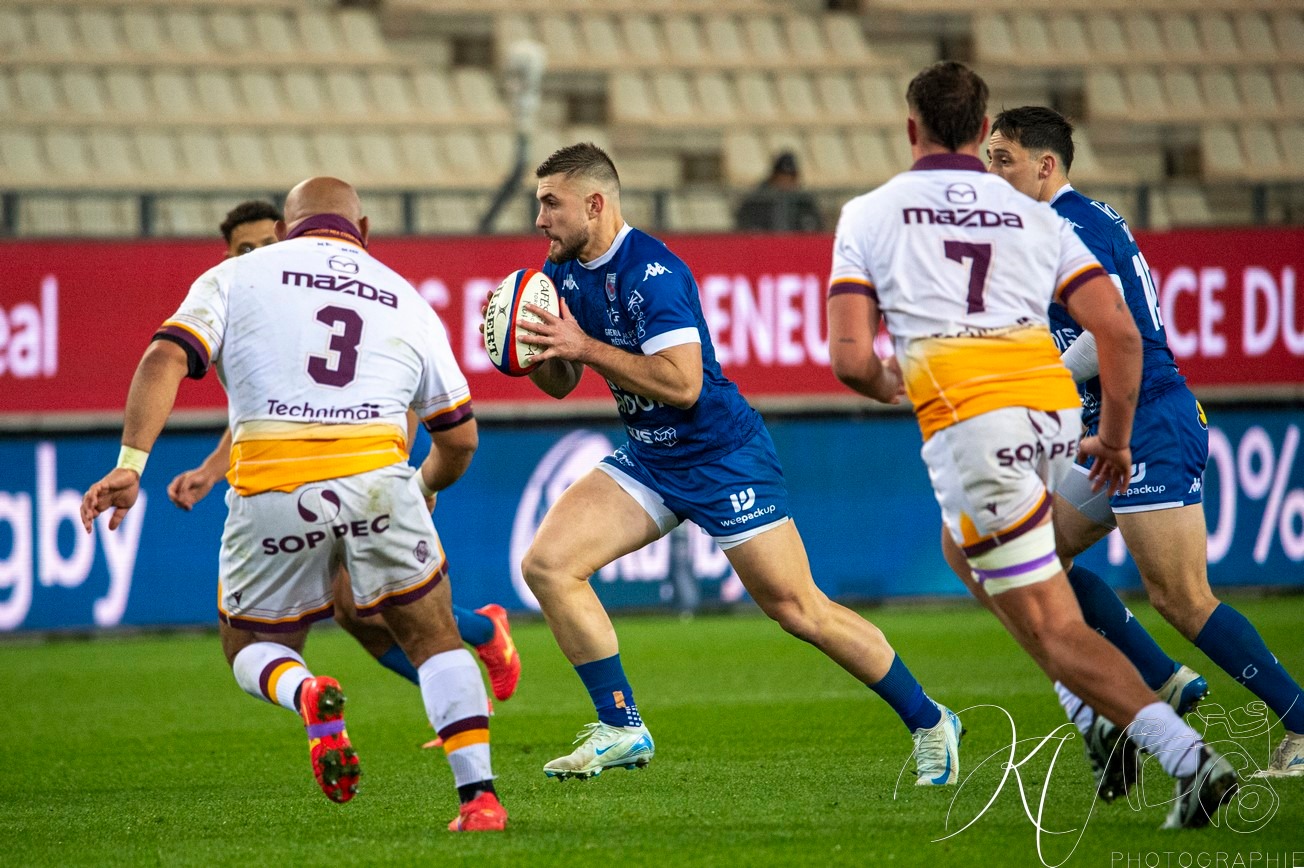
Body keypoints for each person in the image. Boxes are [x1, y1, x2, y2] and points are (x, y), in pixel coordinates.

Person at [826, 62, 1238, 828]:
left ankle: (1184, 757)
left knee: (1052, 624)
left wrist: (899, 382)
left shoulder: (871, 214)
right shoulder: (1038, 215)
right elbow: (1118, 333)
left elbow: (851, 359)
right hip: (1055, 417)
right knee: (965, 556)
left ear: (912, 129)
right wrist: (1113, 439)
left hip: (978, 428)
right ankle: (1092, 717)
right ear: (983, 132)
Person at [508, 142, 963, 787]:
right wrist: (537, 352)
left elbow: (684, 383)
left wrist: (581, 343)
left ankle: (930, 721)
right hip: (652, 457)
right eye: (538, 204)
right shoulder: (562, 276)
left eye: (550, 203)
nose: (539, 219)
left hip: (723, 458)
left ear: (594, 203)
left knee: (799, 609)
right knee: (549, 566)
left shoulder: (652, 273)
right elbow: (562, 382)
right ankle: (621, 726)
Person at [80, 178, 508, 831]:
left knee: (250, 643)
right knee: (432, 637)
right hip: (378, 482)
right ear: (362, 228)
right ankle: (480, 800)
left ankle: (304, 690)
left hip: (273, 487)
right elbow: (461, 437)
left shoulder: (236, 276)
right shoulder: (405, 296)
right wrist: (420, 491)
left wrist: (131, 464)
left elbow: (165, 354)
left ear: (284, 230)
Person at [984, 105, 1304, 780]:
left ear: (1046, 166)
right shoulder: (1075, 221)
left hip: (1148, 419)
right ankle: (1159, 679)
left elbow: (1115, 337)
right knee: (1028, 555)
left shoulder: (1067, 227)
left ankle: (1300, 723)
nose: (992, 170)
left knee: (1183, 598)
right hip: (1115, 423)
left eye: (1002, 158)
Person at [169, 200, 521, 727]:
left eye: (267, 244)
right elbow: (260, 414)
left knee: (363, 607)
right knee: (355, 614)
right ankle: (473, 664)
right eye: (246, 250)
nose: (259, 255)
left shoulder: (324, 291)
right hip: (311, 468)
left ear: (288, 234)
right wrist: (212, 469)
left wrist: (398, 469)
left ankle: (478, 656)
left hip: (367, 468)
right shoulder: (256, 298)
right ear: (230, 254)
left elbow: (394, 399)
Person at [734, 151, 822, 232]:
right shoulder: (758, 199)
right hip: (765, 246)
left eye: (790, 177)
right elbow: (746, 226)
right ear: (774, 176)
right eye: (782, 176)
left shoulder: (804, 201)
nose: (786, 181)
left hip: (796, 247)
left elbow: (815, 226)